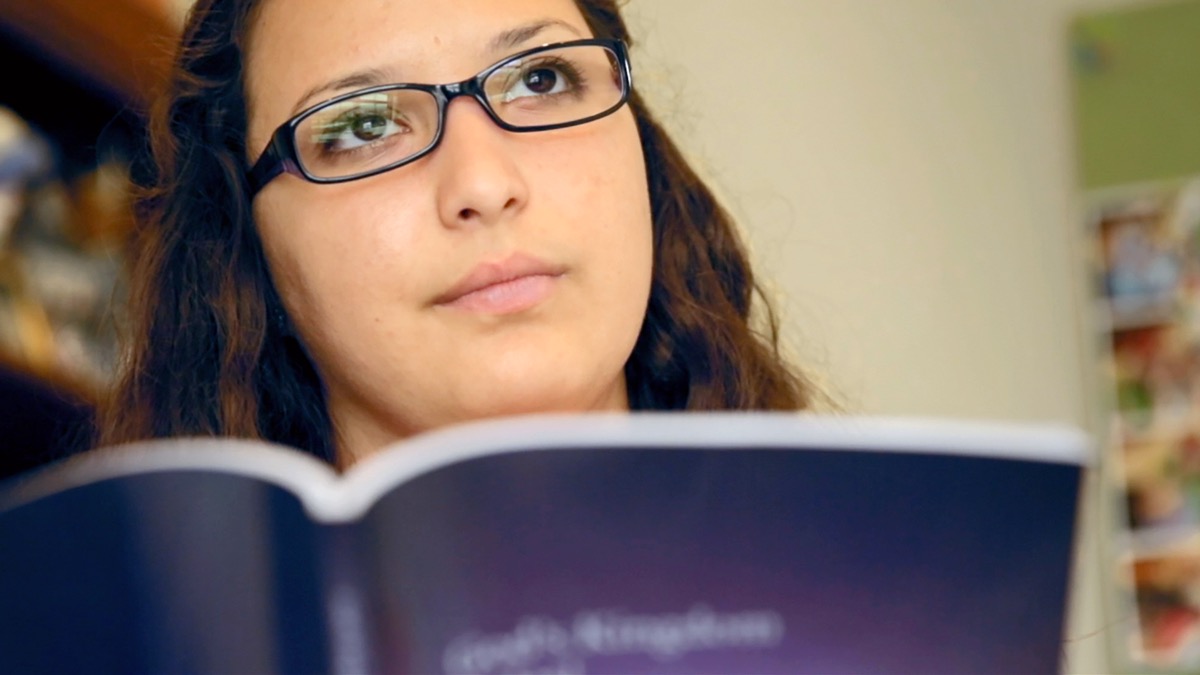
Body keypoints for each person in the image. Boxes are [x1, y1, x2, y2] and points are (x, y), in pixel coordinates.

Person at [99, 0, 821, 469]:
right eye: (365, 125)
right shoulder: (155, 640)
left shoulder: (873, 586)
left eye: (540, 79)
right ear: (245, 246)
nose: (482, 183)